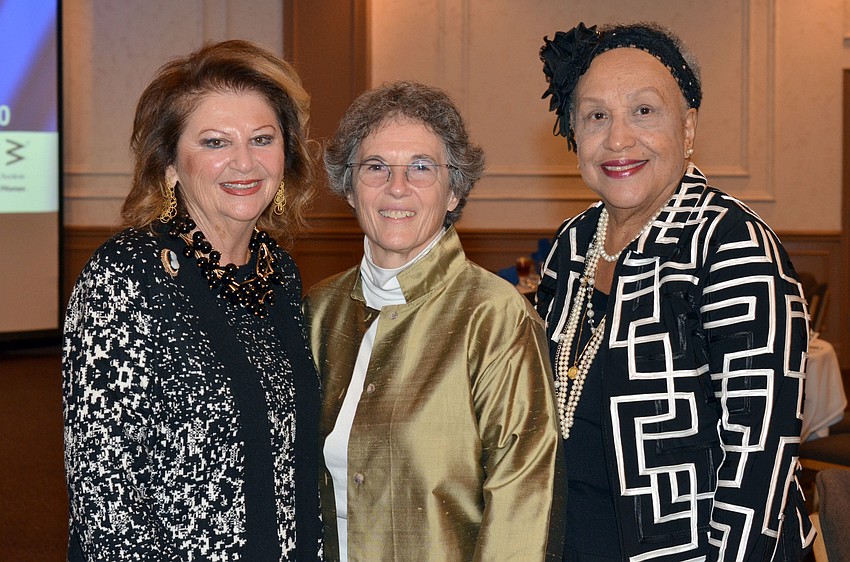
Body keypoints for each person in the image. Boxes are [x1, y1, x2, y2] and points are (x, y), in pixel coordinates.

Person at [537, 22, 815, 561]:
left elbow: (761, 462)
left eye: (644, 111)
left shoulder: (731, 243)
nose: (618, 140)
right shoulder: (572, 246)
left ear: (687, 128)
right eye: (596, 116)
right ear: (574, 135)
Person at [62, 40, 321, 561]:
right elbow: (107, 503)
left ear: (285, 155)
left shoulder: (279, 276)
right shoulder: (127, 277)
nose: (244, 162)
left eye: (263, 138)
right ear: (170, 166)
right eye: (215, 142)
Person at [303, 80, 565, 561]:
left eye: (421, 168)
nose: (396, 187)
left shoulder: (495, 317)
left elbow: (523, 503)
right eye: (375, 167)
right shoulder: (318, 312)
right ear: (348, 188)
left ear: (453, 191)